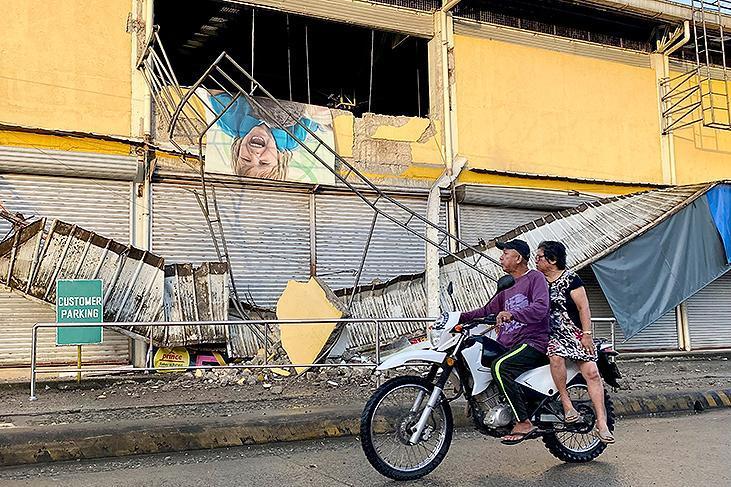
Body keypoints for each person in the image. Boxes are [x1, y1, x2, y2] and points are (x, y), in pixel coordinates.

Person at [459, 239, 550, 444]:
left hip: (533, 341)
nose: (501, 257)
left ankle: (524, 422)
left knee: (500, 366)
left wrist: (512, 314)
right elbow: (486, 311)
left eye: (506, 253)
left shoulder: (535, 278)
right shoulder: (507, 285)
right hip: (509, 343)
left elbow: (541, 308)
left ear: (518, 258)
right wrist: (457, 317)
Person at [535, 240, 615, 444]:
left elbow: (583, 308)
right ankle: (566, 403)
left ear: (552, 260)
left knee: (592, 372)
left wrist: (586, 334)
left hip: (575, 333)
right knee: (555, 356)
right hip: (551, 334)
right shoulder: (537, 281)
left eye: (540, 257)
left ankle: (602, 423)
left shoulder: (571, 279)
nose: (536, 260)